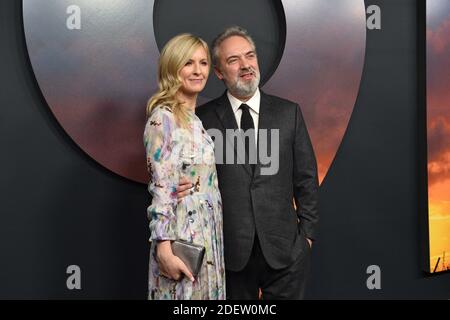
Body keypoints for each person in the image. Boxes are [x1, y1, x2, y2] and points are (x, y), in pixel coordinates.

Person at [177, 26, 319, 299]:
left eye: (250, 56)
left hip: (286, 255)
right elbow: (187, 180)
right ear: (219, 72)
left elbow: (306, 179)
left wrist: (306, 238)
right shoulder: (201, 120)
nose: (245, 65)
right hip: (228, 257)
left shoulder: (289, 113)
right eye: (233, 60)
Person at [144, 33, 225, 300]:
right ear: (172, 67)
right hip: (183, 236)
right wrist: (164, 249)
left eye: (203, 63)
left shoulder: (194, 120)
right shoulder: (163, 119)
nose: (198, 70)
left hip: (206, 234)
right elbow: (161, 189)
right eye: (188, 63)